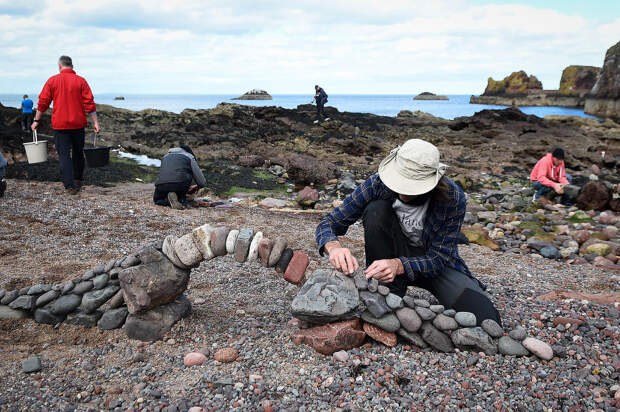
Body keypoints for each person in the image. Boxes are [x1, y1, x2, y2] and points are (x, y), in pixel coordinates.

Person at [316, 139, 501, 326]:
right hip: (387, 265)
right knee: (375, 210)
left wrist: (399, 265)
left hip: (433, 265)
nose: (404, 191)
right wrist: (333, 247)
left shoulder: (453, 197)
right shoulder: (378, 184)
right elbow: (329, 222)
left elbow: (439, 257)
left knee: (487, 319)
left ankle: (395, 286)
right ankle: (388, 290)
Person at [32, 55, 100, 195]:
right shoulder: (81, 81)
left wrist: (36, 121)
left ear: (59, 66)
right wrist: (96, 123)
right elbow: (89, 103)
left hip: (60, 125)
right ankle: (78, 179)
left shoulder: (52, 80)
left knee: (64, 155)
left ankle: (69, 185)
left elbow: (43, 102)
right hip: (78, 124)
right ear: (72, 67)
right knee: (78, 152)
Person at [153, 144, 207, 210]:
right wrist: (198, 186)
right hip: (180, 184)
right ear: (188, 151)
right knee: (181, 192)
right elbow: (202, 181)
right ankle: (180, 200)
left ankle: (167, 200)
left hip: (161, 185)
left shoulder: (165, 156)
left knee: (157, 200)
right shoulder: (189, 156)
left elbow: (164, 173)